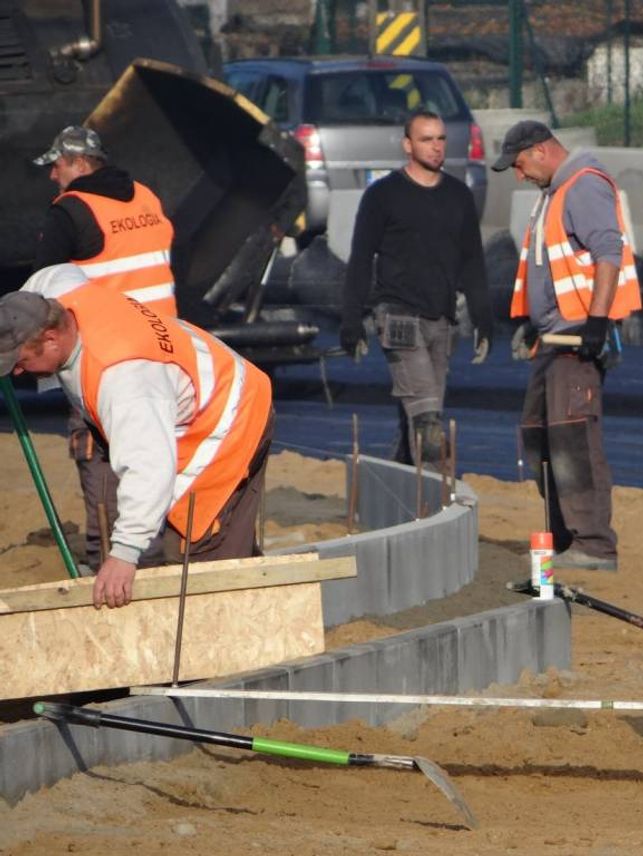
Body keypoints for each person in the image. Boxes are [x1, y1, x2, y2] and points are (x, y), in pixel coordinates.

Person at [0, 277, 274, 609]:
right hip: (183, 384)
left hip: (229, 414)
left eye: (22, 360)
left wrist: (124, 555)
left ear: (52, 337)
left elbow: (150, 467)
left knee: (195, 553)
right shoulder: (54, 288)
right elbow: (41, 280)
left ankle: (233, 634)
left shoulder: (124, 379)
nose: (17, 371)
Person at [493, 121, 641, 572]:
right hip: (553, 339)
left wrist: (596, 321)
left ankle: (594, 544)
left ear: (540, 152)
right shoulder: (555, 193)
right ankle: (563, 536)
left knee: (573, 438)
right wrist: (531, 323)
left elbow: (608, 254)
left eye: (519, 165)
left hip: (577, 337)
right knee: (540, 435)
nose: (518, 176)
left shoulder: (583, 187)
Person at [33, 125, 178, 571]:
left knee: (100, 457)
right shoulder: (146, 197)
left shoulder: (72, 211)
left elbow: (41, 297)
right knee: (161, 452)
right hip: (167, 347)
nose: (53, 174)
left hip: (106, 356)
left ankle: (111, 559)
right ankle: (163, 548)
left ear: (79, 163)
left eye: (57, 164)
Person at [340, 108, 492, 467]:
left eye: (441, 139)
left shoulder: (458, 196)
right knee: (426, 418)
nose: (436, 147)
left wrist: (485, 318)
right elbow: (361, 259)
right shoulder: (383, 195)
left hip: (441, 318)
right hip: (397, 315)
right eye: (427, 139)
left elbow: (473, 261)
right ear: (408, 145)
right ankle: (432, 501)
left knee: (425, 410)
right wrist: (351, 321)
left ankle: (400, 485)